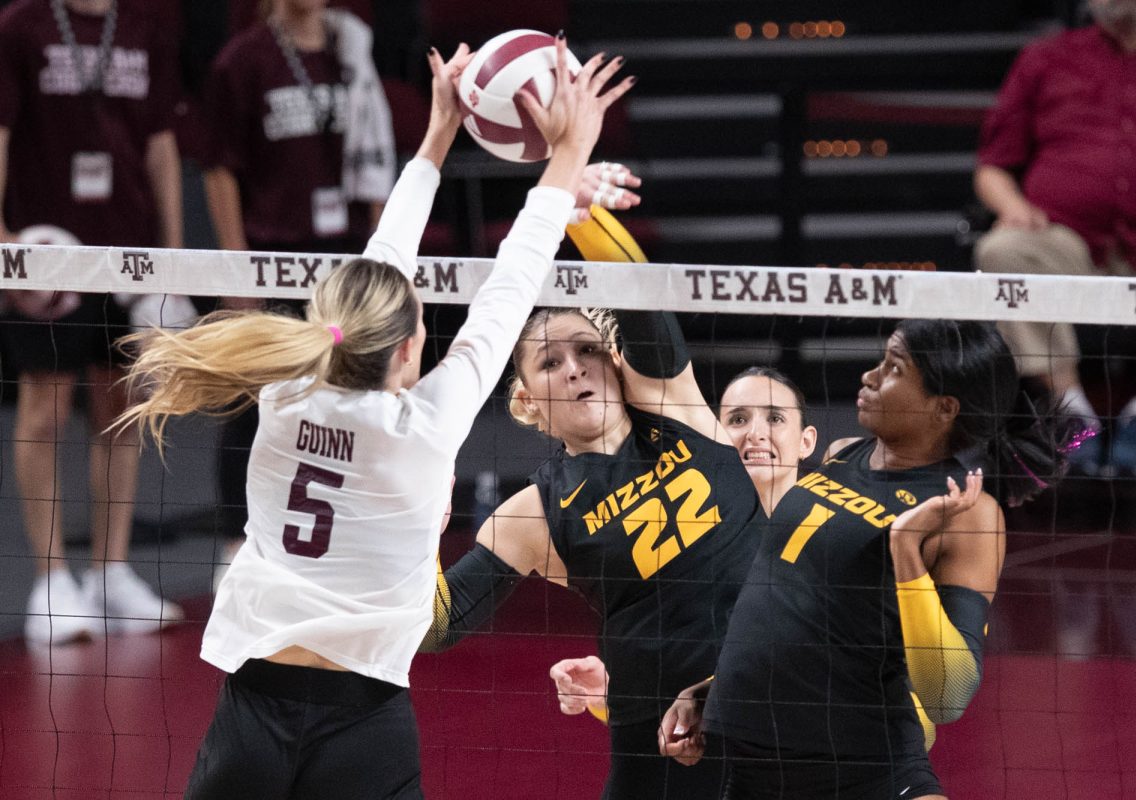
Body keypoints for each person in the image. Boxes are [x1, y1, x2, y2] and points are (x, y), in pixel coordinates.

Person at [116, 39, 632, 798]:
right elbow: (510, 285)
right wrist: (566, 155)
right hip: (365, 721)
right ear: (408, 352)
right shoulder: (426, 424)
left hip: (252, 709)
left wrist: (436, 134)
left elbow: (380, 264)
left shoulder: (286, 390)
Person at [419, 215, 774, 798]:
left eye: (586, 350)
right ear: (528, 399)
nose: (575, 367)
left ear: (615, 362)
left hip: (771, 695)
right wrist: (423, 534)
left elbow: (637, 289)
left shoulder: (675, 409)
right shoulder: (532, 511)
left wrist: (577, 206)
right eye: (550, 362)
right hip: (655, 736)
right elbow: (437, 626)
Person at [660, 320, 1074, 800]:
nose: (869, 377)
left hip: (863, 771)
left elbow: (948, 696)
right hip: (754, 771)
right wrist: (709, 691)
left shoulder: (967, 511)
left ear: (943, 407)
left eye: (894, 368)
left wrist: (906, 552)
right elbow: (795, 607)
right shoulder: (842, 454)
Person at [0, 0, 185, 644]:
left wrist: (172, 254)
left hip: (129, 251)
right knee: (44, 411)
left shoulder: (146, 24)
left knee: (122, 407)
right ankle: (52, 581)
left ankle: (111, 572)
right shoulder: (21, 25)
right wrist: (4, 237)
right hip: (47, 255)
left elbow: (161, 145)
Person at [199, 0, 396, 581]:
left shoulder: (353, 53)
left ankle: (341, 536)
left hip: (345, 262)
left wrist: (387, 248)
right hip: (272, 261)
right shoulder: (243, 61)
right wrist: (237, 265)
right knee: (253, 406)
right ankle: (238, 544)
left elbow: (378, 160)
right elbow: (218, 168)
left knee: (352, 404)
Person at [973, 0, 1136, 480]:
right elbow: (993, 166)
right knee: (1001, 250)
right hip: (1068, 238)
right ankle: (1072, 412)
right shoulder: (1045, 59)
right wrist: (1012, 207)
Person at [550, 366, 819, 722]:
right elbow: (678, 702)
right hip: (716, 763)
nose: (755, 434)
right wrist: (612, 693)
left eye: (774, 418)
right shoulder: (683, 548)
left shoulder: (831, 539)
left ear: (806, 441)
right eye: (737, 419)